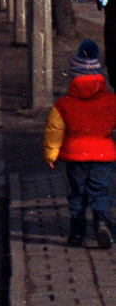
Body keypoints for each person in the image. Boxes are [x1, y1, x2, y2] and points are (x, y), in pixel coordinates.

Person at [44, 39, 116, 248]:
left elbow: (54, 131)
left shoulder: (64, 104)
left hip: (75, 157)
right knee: (101, 191)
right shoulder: (111, 101)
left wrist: (51, 156)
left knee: (77, 193)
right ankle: (101, 221)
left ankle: (76, 231)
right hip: (103, 155)